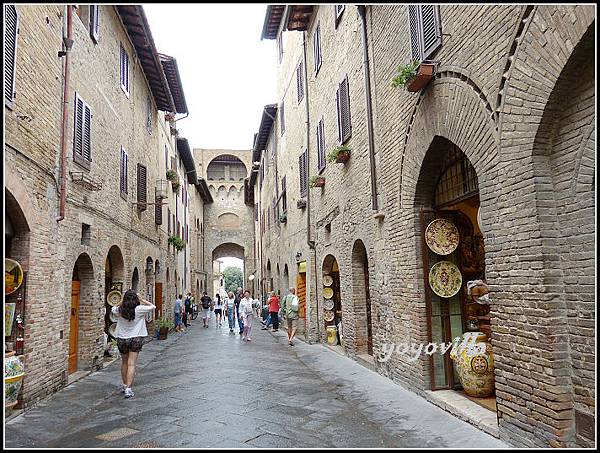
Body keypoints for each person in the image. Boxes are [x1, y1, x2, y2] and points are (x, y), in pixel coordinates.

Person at [110, 290, 155, 398]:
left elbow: (113, 308)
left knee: (124, 363)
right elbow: (153, 306)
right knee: (132, 364)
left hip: (122, 338)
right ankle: (128, 389)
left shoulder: (119, 310)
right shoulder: (139, 309)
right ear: (136, 299)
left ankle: (125, 385)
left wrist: (121, 301)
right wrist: (142, 300)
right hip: (136, 339)